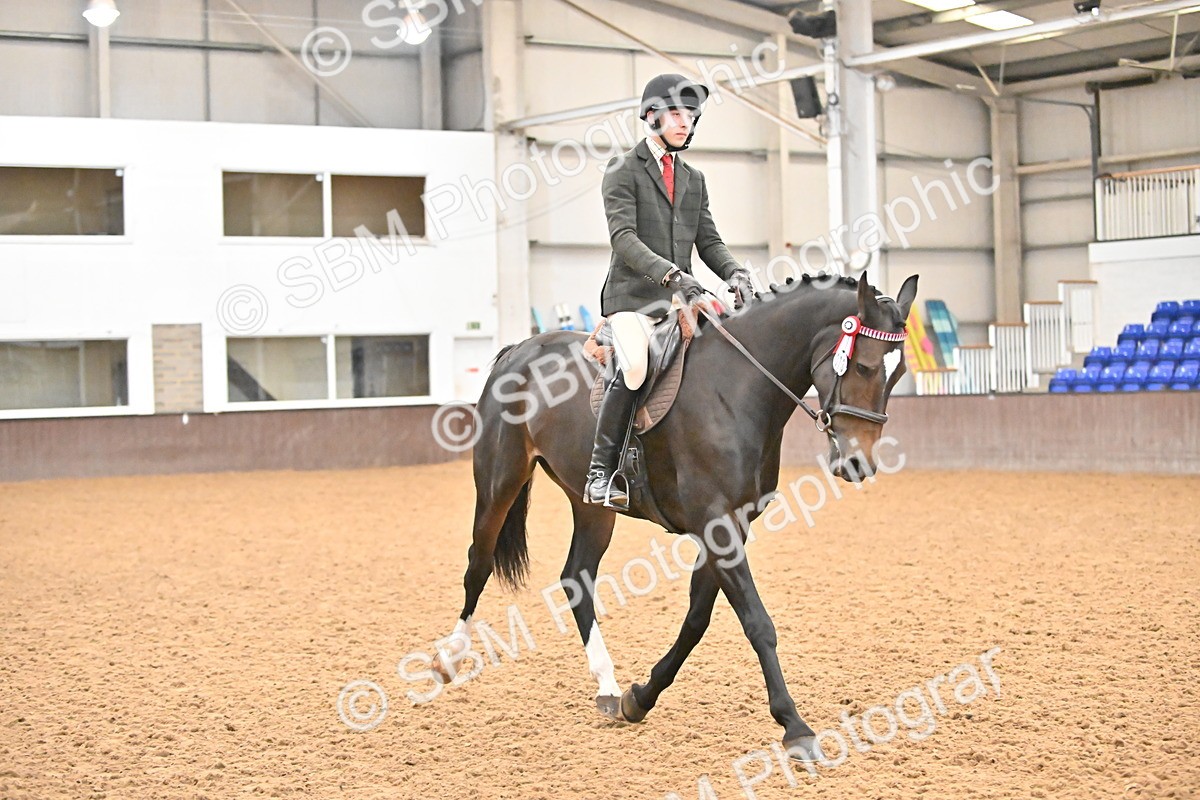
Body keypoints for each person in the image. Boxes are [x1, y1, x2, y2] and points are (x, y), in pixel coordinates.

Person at [584, 73, 755, 508]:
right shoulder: (623, 169)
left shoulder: (694, 179)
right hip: (633, 300)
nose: (685, 123)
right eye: (677, 113)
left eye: (691, 116)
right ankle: (601, 472)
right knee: (637, 366)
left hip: (679, 301)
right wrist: (672, 275)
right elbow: (623, 237)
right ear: (652, 116)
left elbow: (709, 242)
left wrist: (734, 272)